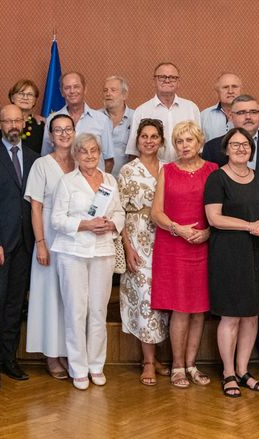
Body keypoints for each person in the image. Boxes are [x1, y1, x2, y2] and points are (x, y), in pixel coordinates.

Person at [49, 133, 125, 390]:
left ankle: (96, 365)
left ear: (100, 153)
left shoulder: (110, 180)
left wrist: (111, 224)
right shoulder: (67, 182)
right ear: (76, 155)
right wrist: (85, 224)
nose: (90, 156)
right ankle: (78, 367)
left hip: (103, 252)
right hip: (73, 253)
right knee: (76, 311)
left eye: (94, 151)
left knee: (98, 310)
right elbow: (57, 220)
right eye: (84, 152)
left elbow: (119, 212)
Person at [204, 128, 259, 397]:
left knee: (251, 316)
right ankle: (228, 372)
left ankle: (244, 370)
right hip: (229, 254)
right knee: (231, 316)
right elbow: (214, 218)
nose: (241, 148)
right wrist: (249, 226)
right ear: (226, 149)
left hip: (257, 251)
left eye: (245, 144)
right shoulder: (217, 178)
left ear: (251, 149)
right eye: (235, 144)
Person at [150, 121, 217, 388]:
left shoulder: (213, 171)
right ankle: (177, 366)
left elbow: (221, 209)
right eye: (179, 141)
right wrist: (178, 229)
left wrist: (208, 232)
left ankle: (192, 364)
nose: (184, 146)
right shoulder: (167, 170)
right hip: (174, 246)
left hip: (203, 246)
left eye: (189, 140)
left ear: (199, 142)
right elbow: (155, 213)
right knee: (179, 309)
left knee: (199, 309)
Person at [0, 105, 38, 391]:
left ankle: (10, 359)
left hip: (25, 245)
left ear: (23, 123)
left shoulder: (34, 158)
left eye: (18, 120)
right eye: (8, 120)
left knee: (15, 305)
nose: (13, 125)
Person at [117, 119, 171, 386]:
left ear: (162, 141)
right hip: (138, 240)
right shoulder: (128, 171)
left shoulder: (168, 169)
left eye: (154, 136)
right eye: (144, 136)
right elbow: (119, 213)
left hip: (166, 240)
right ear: (137, 140)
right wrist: (127, 248)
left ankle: (157, 357)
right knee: (144, 299)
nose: (149, 141)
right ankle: (147, 361)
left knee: (162, 300)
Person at [23, 114, 75, 380]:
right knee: (49, 297)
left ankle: (67, 351)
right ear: (51, 135)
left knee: (69, 298)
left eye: (68, 129)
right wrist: (40, 244)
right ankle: (50, 355)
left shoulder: (82, 162)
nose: (63, 134)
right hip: (49, 237)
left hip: (76, 240)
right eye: (58, 130)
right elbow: (35, 206)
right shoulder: (41, 165)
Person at [127, 62, 202, 162]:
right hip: (154, 172)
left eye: (172, 77)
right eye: (162, 77)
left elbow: (199, 148)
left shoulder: (191, 108)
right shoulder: (141, 111)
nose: (167, 80)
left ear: (178, 82)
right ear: (154, 81)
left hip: (186, 170)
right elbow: (134, 152)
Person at [202, 94, 259, 174]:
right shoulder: (212, 148)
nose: (248, 117)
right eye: (241, 113)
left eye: (253, 112)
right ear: (231, 116)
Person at [42, 72, 111, 169]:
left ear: (85, 89)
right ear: (62, 92)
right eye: (67, 88)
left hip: (92, 181)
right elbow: (46, 155)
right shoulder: (52, 120)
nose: (72, 91)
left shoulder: (102, 120)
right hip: (60, 180)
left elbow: (109, 160)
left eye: (76, 86)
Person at [102, 75, 136, 173]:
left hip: (127, 179)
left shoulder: (135, 117)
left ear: (124, 95)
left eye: (113, 90)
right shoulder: (94, 118)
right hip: (99, 179)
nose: (108, 93)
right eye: (105, 90)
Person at [200, 73, 243, 141]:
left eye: (234, 86)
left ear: (240, 90)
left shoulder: (254, 114)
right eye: (225, 87)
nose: (230, 91)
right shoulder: (204, 116)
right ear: (217, 91)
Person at [7, 79, 45, 154]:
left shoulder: (40, 124)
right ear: (12, 98)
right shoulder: (3, 122)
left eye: (30, 94)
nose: (25, 97)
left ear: (34, 101)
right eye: (21, 93)